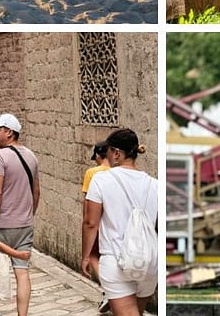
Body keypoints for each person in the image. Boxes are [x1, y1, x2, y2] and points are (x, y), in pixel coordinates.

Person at [82, 129, 158, 316]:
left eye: (108, 151)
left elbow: (90, 223)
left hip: (116, 261)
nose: (106, 156)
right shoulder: (155, 184)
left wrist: (85, 256)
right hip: (148, 263)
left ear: (116, 153)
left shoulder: (101, 180)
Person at [0, 114, 40, 316]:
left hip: (2, 224)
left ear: (9, 132)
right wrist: (28, 215)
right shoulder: (31, 156)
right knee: (22, 272)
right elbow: (36, 192)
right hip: (25, 225)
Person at [82, 142, 112, 314]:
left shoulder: (92, 173)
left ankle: (109, 290)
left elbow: (87, 204)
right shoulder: (117, 171)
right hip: (115, 224)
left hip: (98, 223)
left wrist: (85, 223)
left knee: (93, 256)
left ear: (99, 156)